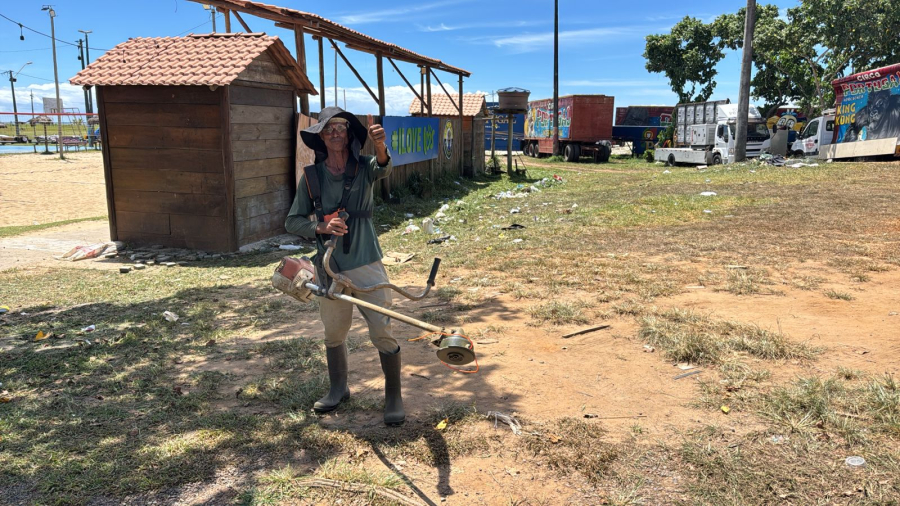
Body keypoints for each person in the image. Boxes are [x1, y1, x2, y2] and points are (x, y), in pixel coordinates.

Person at [285, 107, 405, 426]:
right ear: (321, 138)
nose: (336, 133)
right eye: (329, 129)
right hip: (329, 265)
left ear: (349, 135)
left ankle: (393, 395)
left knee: (382, 328)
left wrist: (380, 145)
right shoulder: (311, 177)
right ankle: (338, 388)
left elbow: (384, 167)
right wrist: (321, 228)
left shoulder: (364, 167)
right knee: (334, 330)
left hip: (366, 262)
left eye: (341, 128)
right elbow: (292, 220)